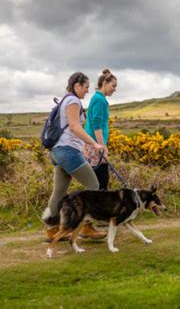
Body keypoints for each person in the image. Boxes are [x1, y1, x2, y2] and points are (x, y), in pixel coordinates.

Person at [42, 72, 107, 240]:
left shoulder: (65, 99)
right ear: (77, 86)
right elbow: (74, 126)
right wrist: (94, 143)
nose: (86, 91)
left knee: (58, 192)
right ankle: (86, 227)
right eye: (85, 87)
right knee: (93, 185)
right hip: (68, 151)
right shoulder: (73, 101)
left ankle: (52, 229)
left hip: (57, 151)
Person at [84, 69, 117, 190]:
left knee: (96, 181)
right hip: (95, 145)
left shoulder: (99, 98)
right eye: (113, 85)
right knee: (101, 183)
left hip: (93, 143)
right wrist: (102, 147)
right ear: (104, 83)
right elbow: (96, 126)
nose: (115, 89)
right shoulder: (99, 100)